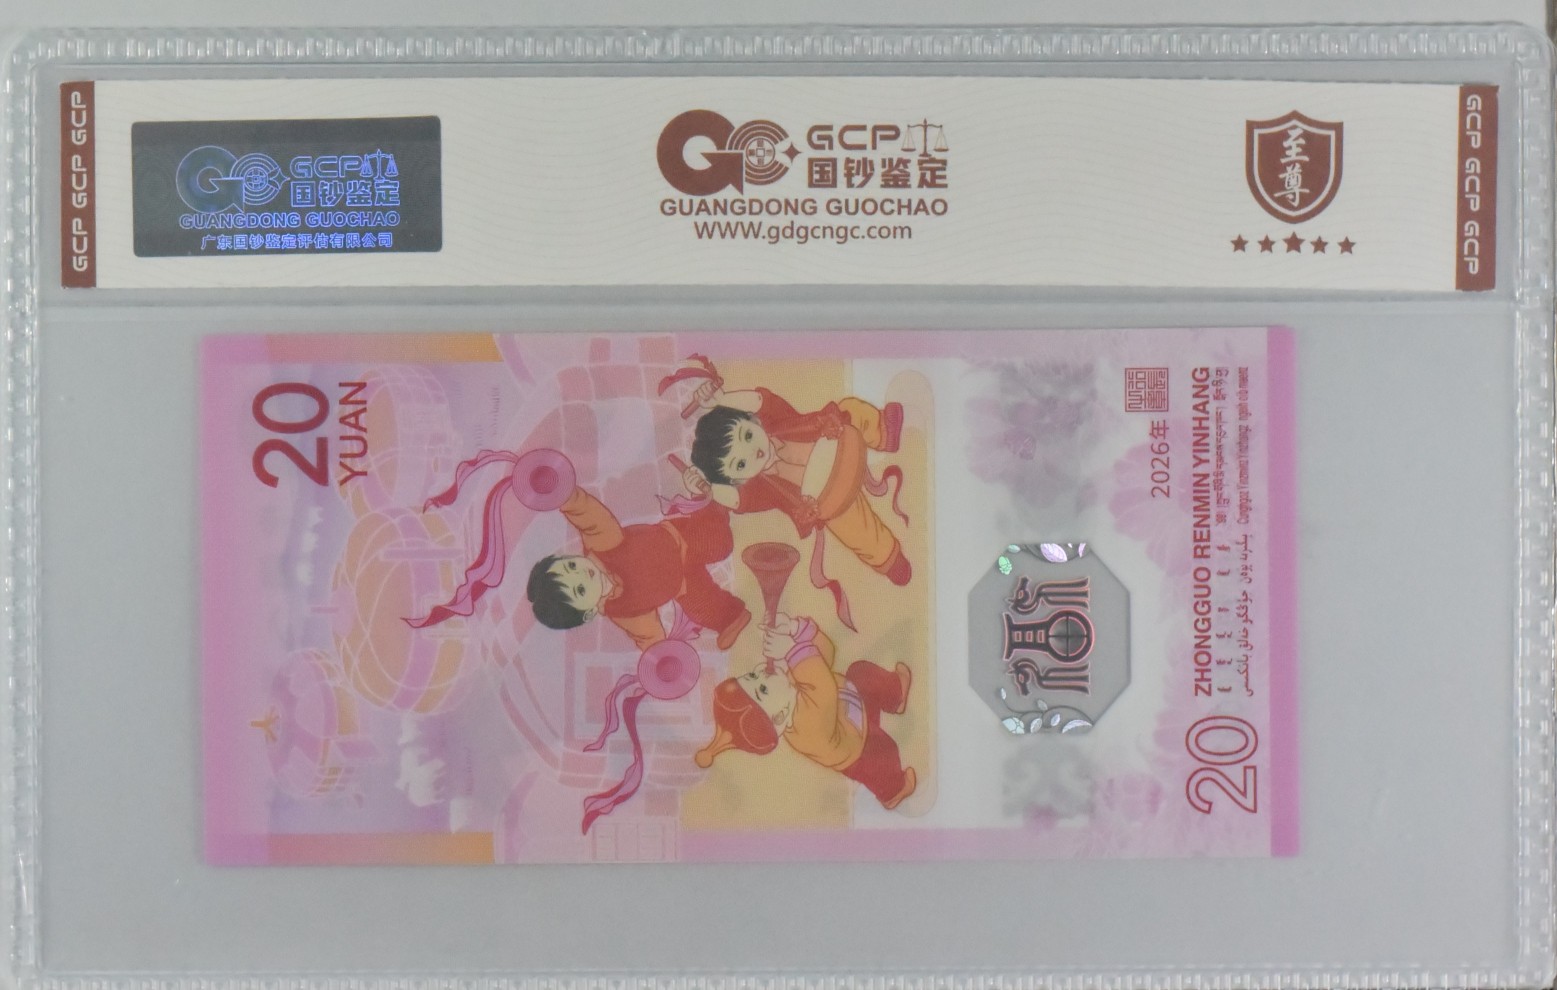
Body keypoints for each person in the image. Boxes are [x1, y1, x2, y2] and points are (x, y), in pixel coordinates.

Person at [686, 384, 911, 588]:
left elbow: (759, 401)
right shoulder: (762, 489)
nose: (752, 451)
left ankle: (884, 432)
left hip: (842, 440)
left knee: (850, 409)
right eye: (741, 464)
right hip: (832, 499)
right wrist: (707, 489)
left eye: (747, 435)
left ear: (754, 421)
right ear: (737, 480)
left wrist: (722, 400)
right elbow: (737, 500)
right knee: (859, 533)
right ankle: (889, 558)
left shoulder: (777, 420)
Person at [694, 612, 917, 810]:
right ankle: (894, 793)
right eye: (763, 689)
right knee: (884, 756)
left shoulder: (788, 693)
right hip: (859, 748)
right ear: (779, 717)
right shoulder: (807, 728)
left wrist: (796, 629)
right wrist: (791, 650)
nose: (762, 671)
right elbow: (823, 686)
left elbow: (825, 655)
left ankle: (896, 694)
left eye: (752, 676)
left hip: (852, 703)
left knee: (860, 672)